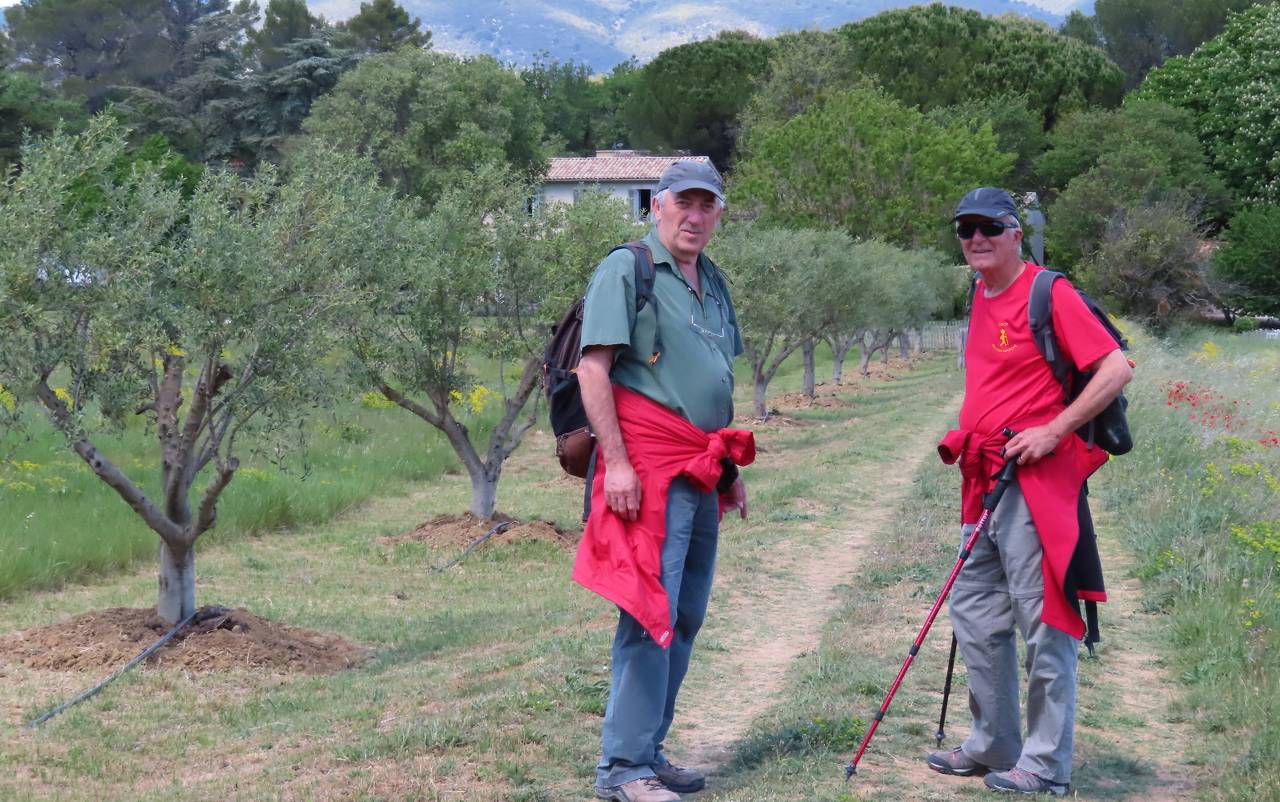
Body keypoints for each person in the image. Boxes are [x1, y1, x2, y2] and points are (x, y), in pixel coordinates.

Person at [929, 187, 1133, 796]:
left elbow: (1117, 366)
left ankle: (1044, 765)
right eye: (965, 229)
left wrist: (1055, 429)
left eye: (989, 226)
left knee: (1044, 622)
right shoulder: (981, 293)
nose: (976, 238)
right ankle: (994, 744)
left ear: (1016, 233)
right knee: (977, 617)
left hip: (1035, 487)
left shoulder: (1049, 292)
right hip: (982, 482)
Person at [572, 160, 750, 802]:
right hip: (647, 468)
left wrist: (726, 468)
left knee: (687, 612)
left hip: (700, 467)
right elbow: (594, 370)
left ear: (718, 214)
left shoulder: (713, 280)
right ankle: (623, 770)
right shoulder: (628, 267)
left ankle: (648, 750)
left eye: (708, 206)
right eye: (685, 203)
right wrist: (616, 463)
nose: (695, 216)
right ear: (658, 206)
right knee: (651, 614)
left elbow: (711, 381)